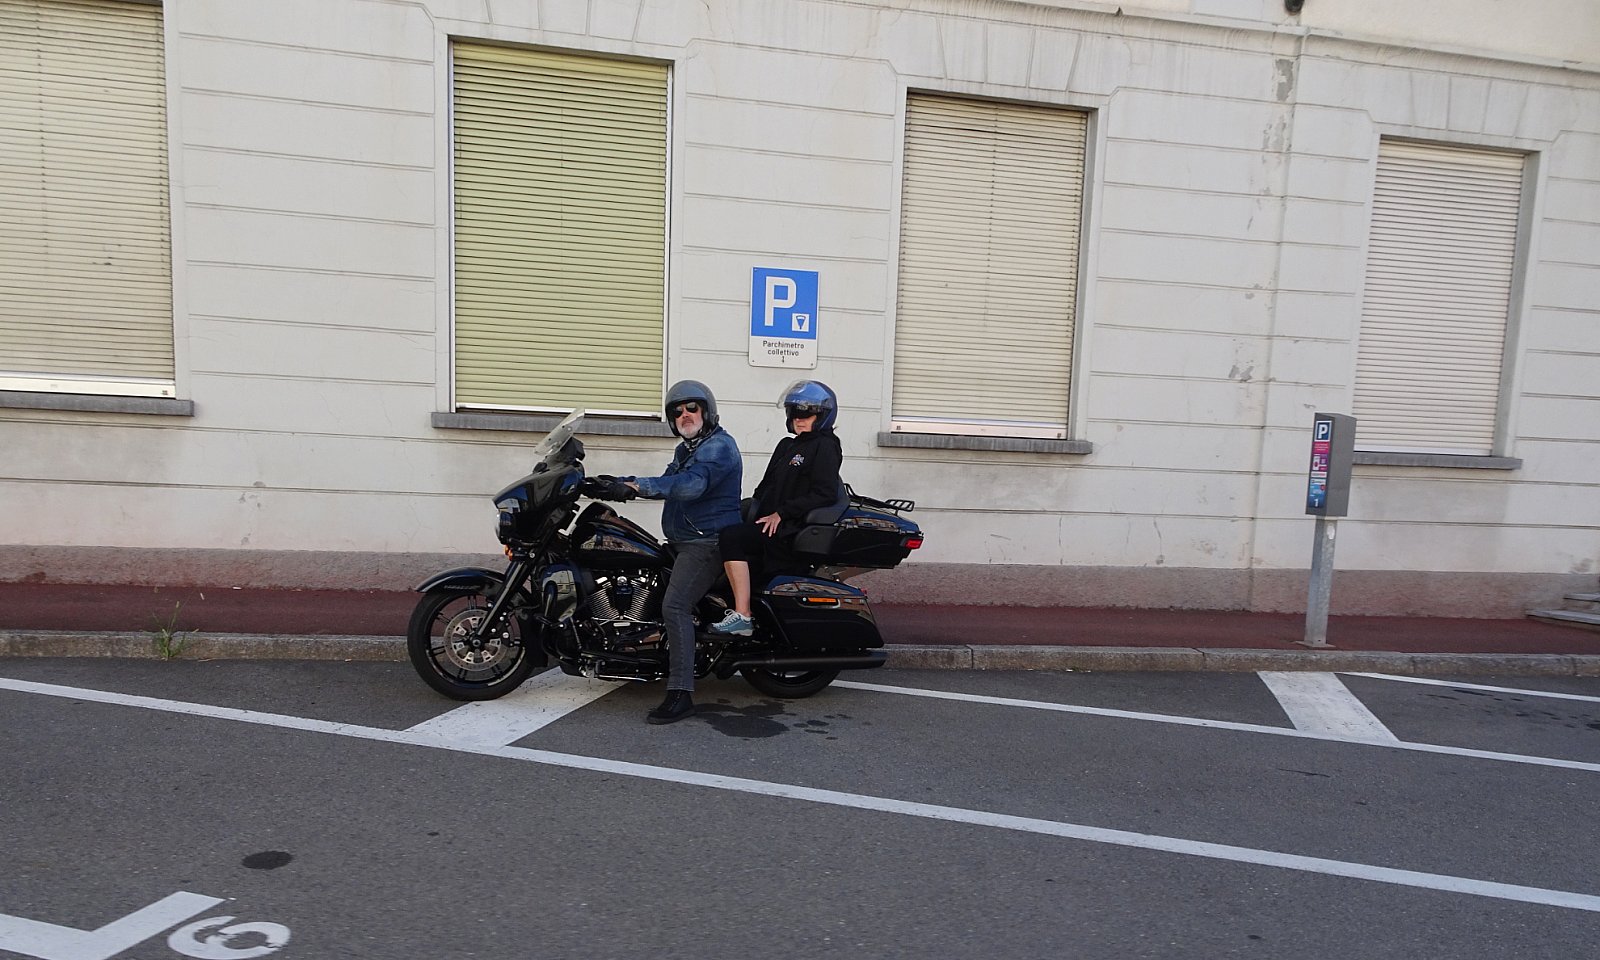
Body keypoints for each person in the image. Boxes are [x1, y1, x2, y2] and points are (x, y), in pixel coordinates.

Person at [612, 380, 742, 725]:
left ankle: (681, 694)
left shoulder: (719, 447)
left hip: (707, 542)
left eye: (692, 408)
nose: (685, 415)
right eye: (678, 411)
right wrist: (615, 482)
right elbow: (667, 479)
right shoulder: (687, 450)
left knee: (675, 605)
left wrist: (636, 487)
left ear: (707, 412)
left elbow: (691, 485)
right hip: (686, 539)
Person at [707, 380, 844, 637]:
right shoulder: (787, 445)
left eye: (806, 414)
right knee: (722, 529)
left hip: (789, 529)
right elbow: (765, 488)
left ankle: (743, 616)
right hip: (768, 523)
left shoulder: (825, 446)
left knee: (731, 537)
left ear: (823, 416)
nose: (798, 419)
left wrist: (783, 513)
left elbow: (824, 493)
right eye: (794, 413)